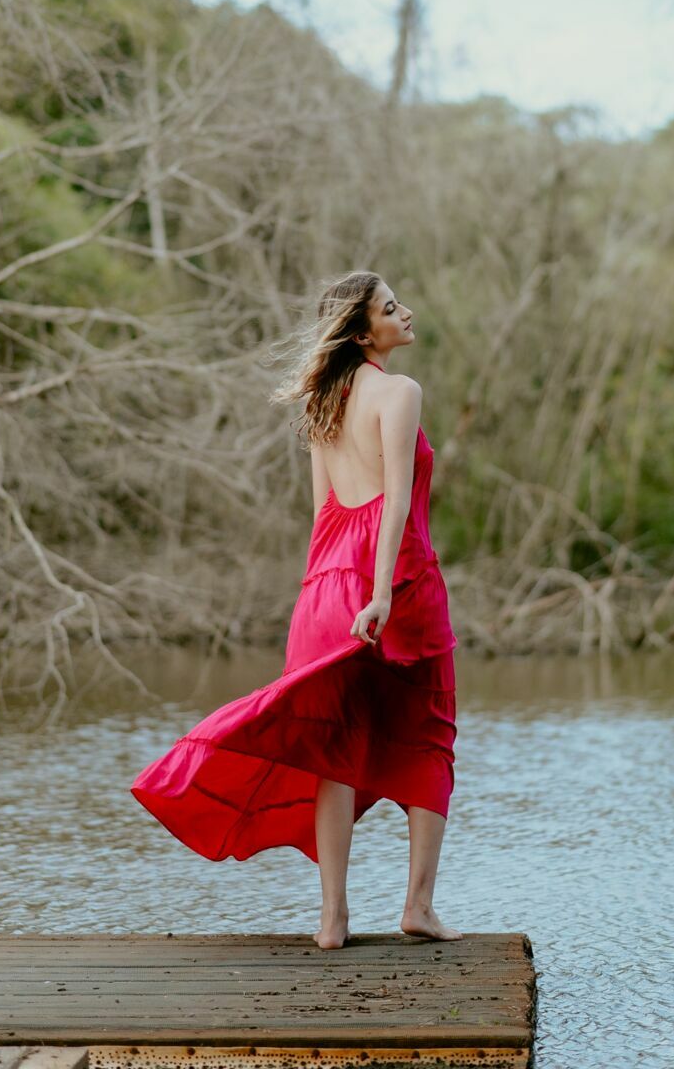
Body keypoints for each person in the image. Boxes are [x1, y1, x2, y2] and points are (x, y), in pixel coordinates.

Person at [130, 270, 462, 950]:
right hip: (395, 579)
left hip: (324, 581)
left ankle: (332, 921)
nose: (407, 312)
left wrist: (320, 598)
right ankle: (417, 909)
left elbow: (323, 513)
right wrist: (379, 593)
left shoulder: (324, 401)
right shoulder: (399, 393)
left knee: (330, 751)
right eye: (392, 307)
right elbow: (394, 501)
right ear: (363, 330)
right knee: (428, 734)